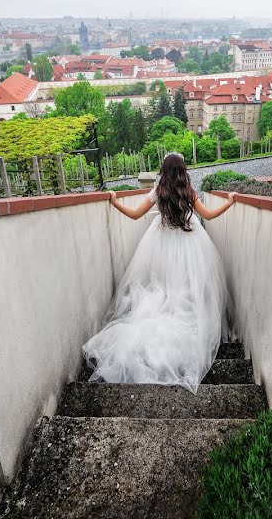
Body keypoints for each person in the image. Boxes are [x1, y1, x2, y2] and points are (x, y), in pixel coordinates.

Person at [82, 153, 237, 394]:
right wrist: (230, 201)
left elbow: (134, 215)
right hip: (189, 242)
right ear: (182, 170)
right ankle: (186, 318)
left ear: (163, 170)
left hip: (161, 243)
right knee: (186, 285)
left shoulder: (158, 192)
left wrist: (113, 201)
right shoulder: (189, 192)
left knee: (163, 287)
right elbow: (207, 215)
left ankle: (165, 313)